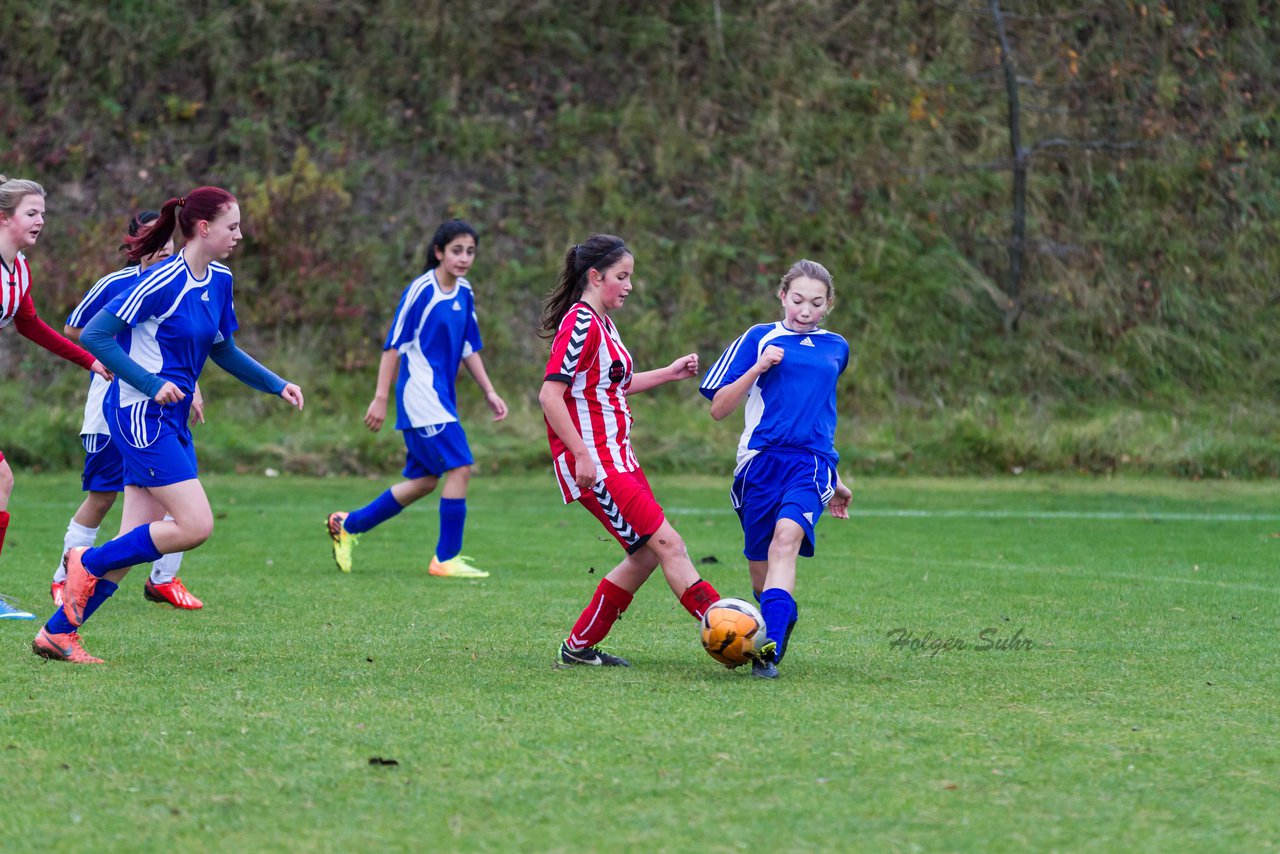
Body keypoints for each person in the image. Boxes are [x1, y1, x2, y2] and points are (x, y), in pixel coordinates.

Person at [33, 186, 304, 664]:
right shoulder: (162, 280)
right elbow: (96, 334)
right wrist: (150, 381)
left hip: (173, 417)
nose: (239, 235)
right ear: (204, 228)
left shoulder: (220, 279)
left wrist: (275, 383)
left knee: (135, 540)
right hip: (141, 415)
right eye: (232, 226)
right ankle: (86, 561)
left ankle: (59, 633)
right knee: (195, 524)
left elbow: (222, 349)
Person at [538, 234, 721, 667]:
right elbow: (550, 396)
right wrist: (582, 454)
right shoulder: (580, 323)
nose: (629, 285)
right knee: (668, 545)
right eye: (622, 277)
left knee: (645, 555)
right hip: (598, 465)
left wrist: (669, 373)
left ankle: (579, 648)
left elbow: (611, 383)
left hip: (619, 458)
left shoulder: (602, 322)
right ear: (595, 276)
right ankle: (728, 627)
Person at [326, 219, 507, 578]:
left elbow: (470, 347)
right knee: (460, 467)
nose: (464, 258)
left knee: (424, 482)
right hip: (421, 397)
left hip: (442, 398)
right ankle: (445, 558)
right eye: (457, 250)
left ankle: (348, 524)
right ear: (439, 252)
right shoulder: (421, 290)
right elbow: (394, 345)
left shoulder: (465, 291)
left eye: (470, 251)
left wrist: (489, 390)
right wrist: (380, 398)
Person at [699, 259, 852, 678]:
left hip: (811, 464)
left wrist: (834, 477)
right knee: (760, 570)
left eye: (816, 303)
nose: (805, 311)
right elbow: (719, 408)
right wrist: (759, 366)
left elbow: (820, 414)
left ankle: (769, 649)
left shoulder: (837, 347)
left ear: (828, 304)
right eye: (798, 300)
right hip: (759, 465)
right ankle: (778, 617)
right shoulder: (758, 337)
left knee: (786, 539)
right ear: (782, 295)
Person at [50, 210, 205, 611]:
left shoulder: (179, 282)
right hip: (117, 405)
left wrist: (195, 388)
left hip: (163, 406)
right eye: (154, 243)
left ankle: (163, 579)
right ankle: (65, 576)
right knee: (103, 494)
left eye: (167, 242)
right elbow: (77, 329)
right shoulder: (116, 284)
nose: (163, 250)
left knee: (178, 490)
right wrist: (113, 359)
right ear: (135, 245)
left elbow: (183, 344)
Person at [0, 176, 112, 621]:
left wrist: (91, 360)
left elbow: (30, 325)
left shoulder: (18, 268)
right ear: (4, 217)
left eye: (43, 213)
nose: (41, 221)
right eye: (32, 213)